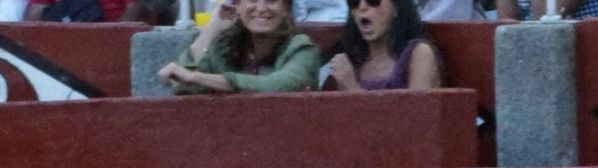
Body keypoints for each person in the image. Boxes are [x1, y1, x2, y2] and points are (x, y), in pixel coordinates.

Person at [158, 0, 320, 96]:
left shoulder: (302, 48)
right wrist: (211, 29)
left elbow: (278, 85)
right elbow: (181, 85)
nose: (262, 8)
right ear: (238, 6)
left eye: (272, 0)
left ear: (286, 9)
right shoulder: (226, 46)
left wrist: (197, 77)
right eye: (252, 0)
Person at [317, 0, 443, 92]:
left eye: (373, 1)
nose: (362, 7)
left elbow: (416, 119)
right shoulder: (351, 62)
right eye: (354, 2)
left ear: (396, 7)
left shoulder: (419, 53)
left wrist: (352, 88)